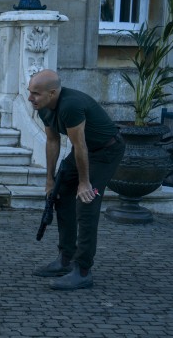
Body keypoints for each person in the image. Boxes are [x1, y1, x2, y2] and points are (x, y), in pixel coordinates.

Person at [28, 69, 125, 290]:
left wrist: (84, 182)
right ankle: (65, 259)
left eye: (35, 93)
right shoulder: (43, 107)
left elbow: (80, 146)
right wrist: (50, 180)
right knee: (60, 193)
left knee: (86, 202)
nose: (30, 98)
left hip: (105, 151)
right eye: (30, 92)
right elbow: (52, 141)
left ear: (52, 93)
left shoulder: (70, 106)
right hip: (83, 151)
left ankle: (82, 270)